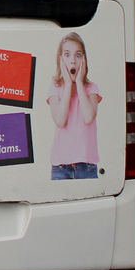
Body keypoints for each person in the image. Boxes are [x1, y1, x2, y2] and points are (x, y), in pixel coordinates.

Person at [47, 32, 102, 179]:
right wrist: (67, 85)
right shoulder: (55, 88)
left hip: (86, 168)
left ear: (83, 59)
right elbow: (60, 120)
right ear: (60, 59)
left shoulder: (91, 88)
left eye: (78, 55)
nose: (72, 61)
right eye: (67, 55)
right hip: (61, 169)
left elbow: (89, 117)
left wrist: (78, 83)